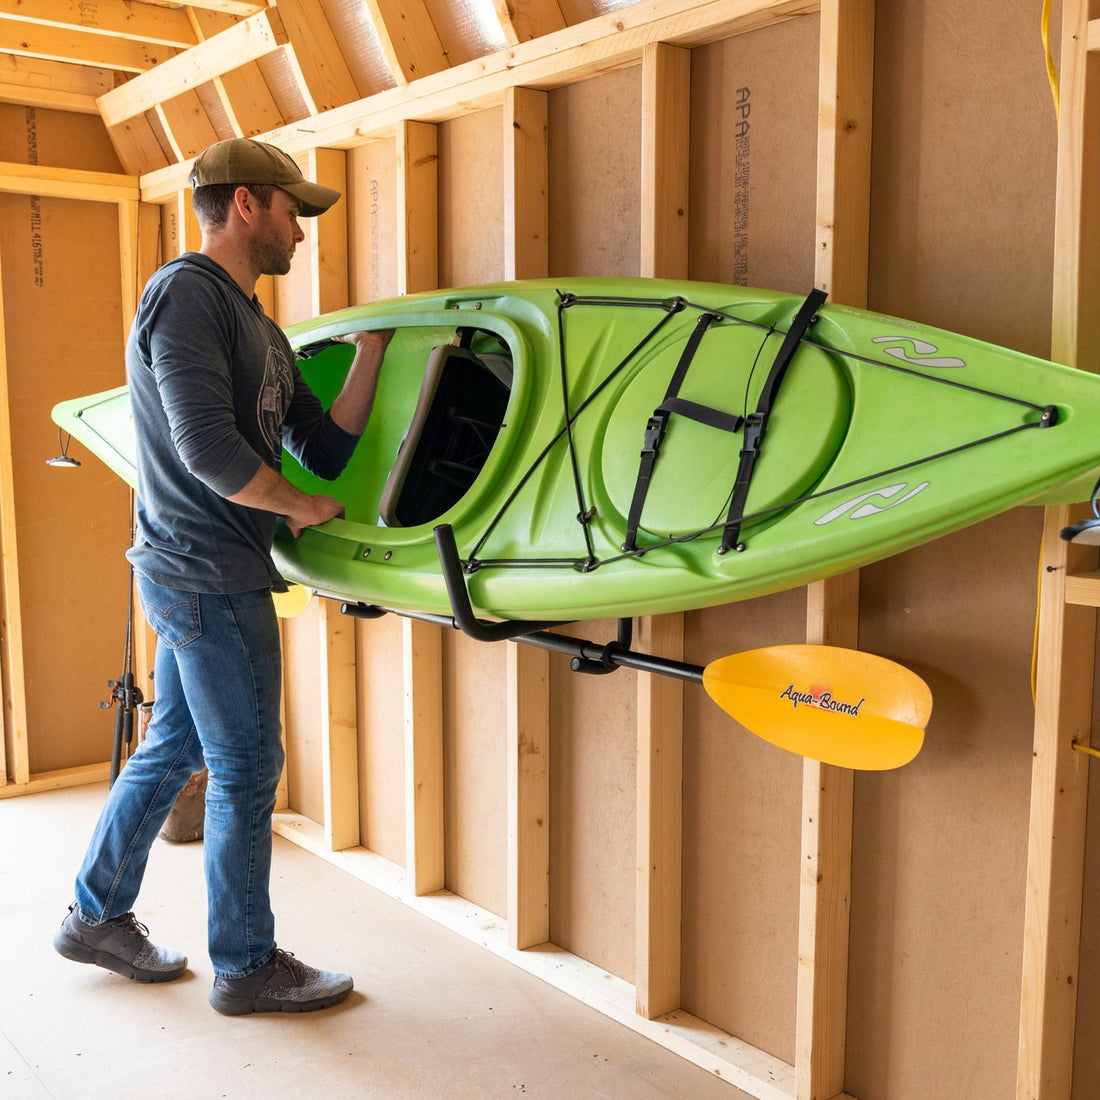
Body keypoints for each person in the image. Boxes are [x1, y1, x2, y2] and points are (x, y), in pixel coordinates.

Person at [53, 137, 393, 1016]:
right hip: (204, 567)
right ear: (247, 205)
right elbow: (206, 450)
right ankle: (245, 966)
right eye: (293, 212)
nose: (302, 232)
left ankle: (95, 915)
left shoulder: (263, 329)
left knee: (178, 745)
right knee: (247, 763)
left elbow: (325, 445)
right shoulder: (185, 298)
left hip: (209, 565)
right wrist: (295, 508)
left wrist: (374, 354)